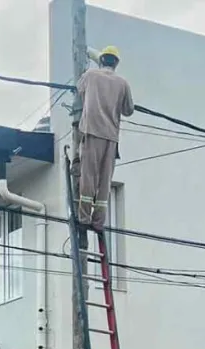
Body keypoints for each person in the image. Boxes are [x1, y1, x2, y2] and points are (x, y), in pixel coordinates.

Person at [76, 45, 134, 232]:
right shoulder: (123, 83)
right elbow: (128, 110)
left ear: (101, 60)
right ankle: (98, 221)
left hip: (91, 132)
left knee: (88, 177)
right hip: (111, 138)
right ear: (116, 63)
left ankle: (84, 218)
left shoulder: (90, 76)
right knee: (104, 181)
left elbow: (79, 90)